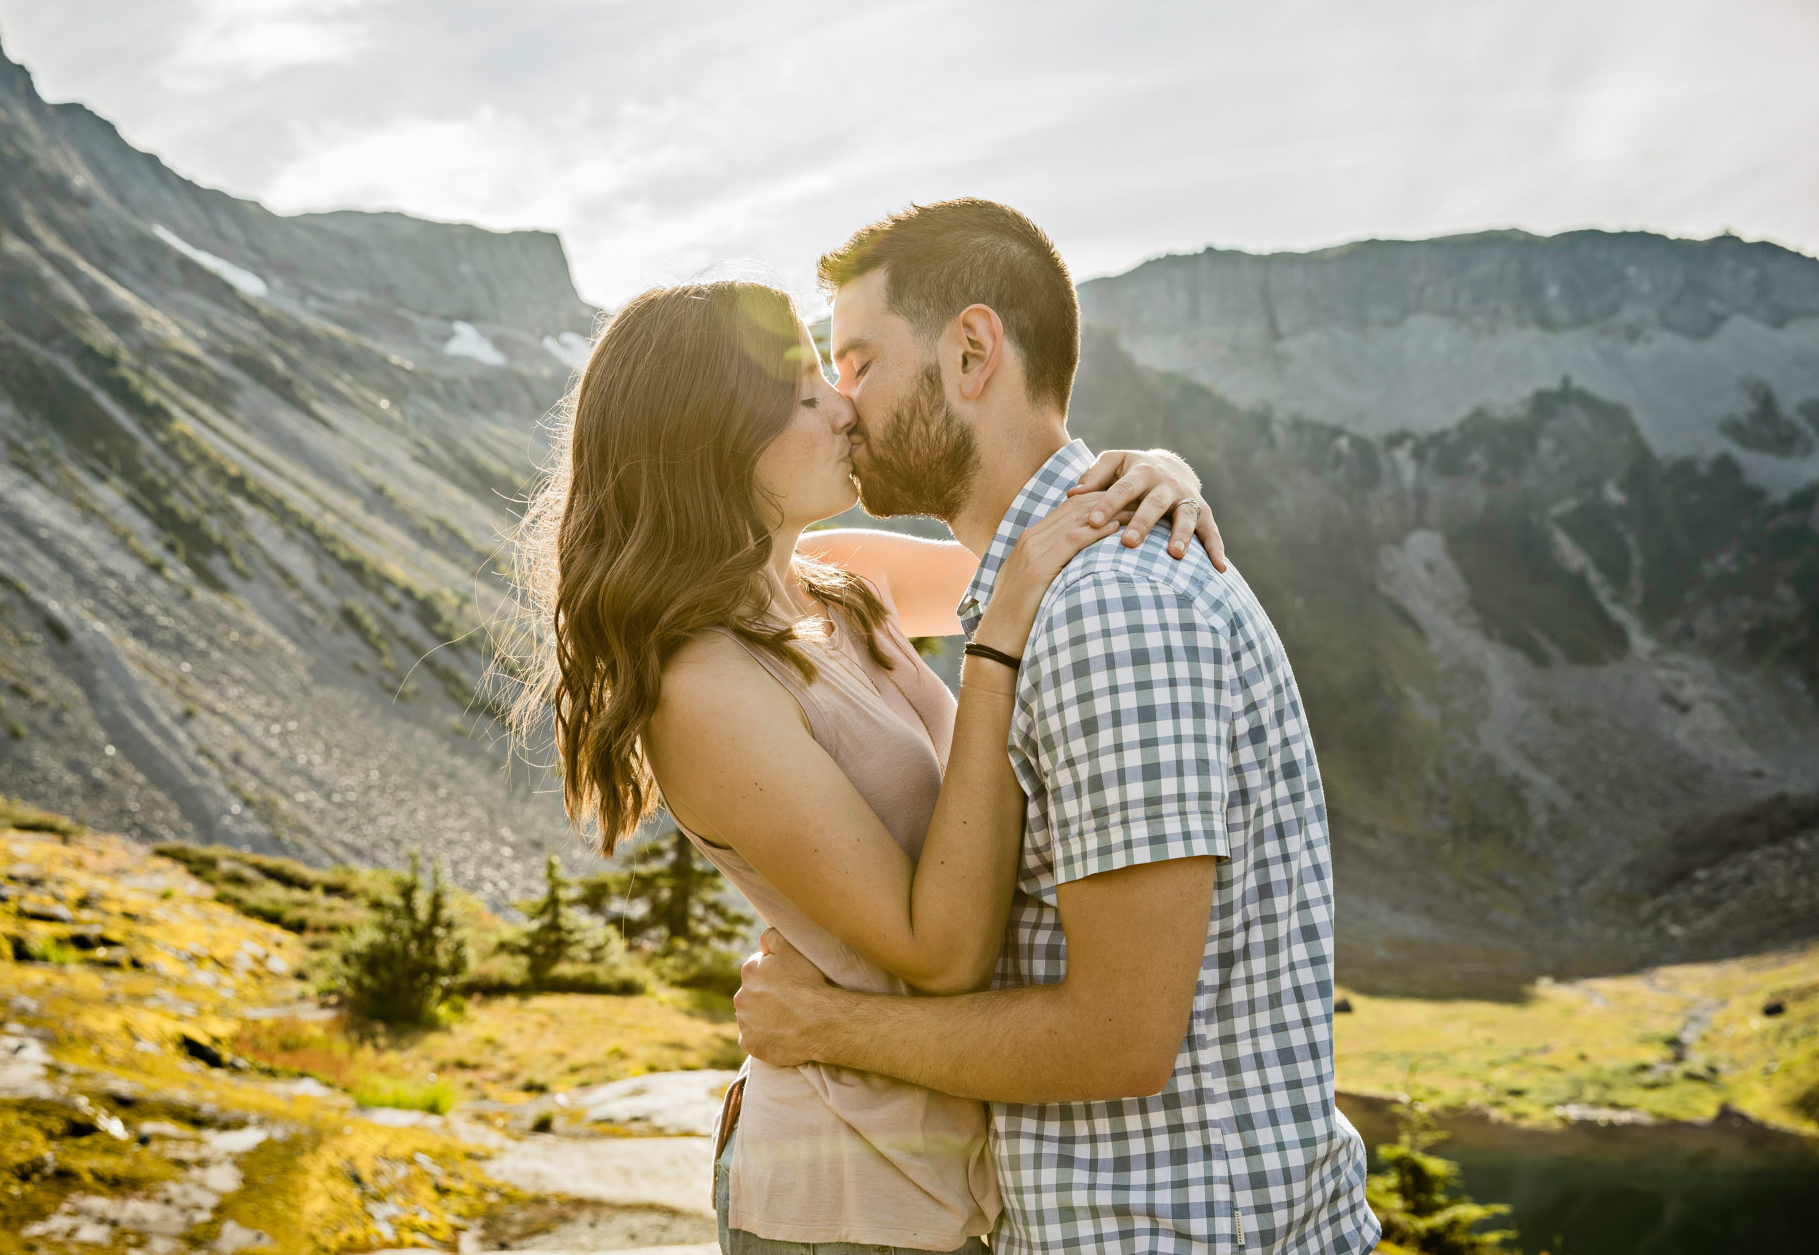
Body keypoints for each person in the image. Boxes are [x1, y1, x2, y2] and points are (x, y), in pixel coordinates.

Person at [518, 274, 1222, 1253]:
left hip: (951, 1178)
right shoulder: (706, 687)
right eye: (805, 395)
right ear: (713, 438)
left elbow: (1054, 556)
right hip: (843, 1199)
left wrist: (1155, 470)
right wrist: (992, 654)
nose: (845, 408)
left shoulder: (840, 583)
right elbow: (935, 949)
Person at [732, 199, 1381, 1254]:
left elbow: (1118, 1036)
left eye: (856, 362)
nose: (842, 406)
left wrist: (822, 1028)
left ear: (971, 351)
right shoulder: (1050, 582)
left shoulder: (1105, 609)